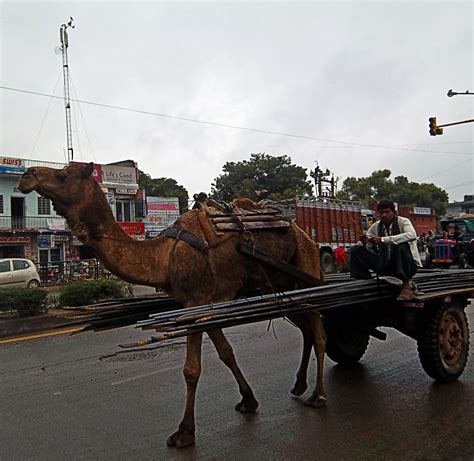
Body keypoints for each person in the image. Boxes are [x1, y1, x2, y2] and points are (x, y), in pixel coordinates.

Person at [350, 200, 422, 301]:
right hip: (384, 264)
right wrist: (366, 242)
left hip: (406, 265)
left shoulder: (403, 221)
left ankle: (406, 286)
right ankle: (364, 280)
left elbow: (412, 235)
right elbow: (367, 242)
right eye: (381, 212)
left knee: (402, 245)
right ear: (378, 214)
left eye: (387, 212)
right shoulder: (376, 226)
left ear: (394, 212)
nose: (384, 215)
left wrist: (383, 240)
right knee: (356, 250)